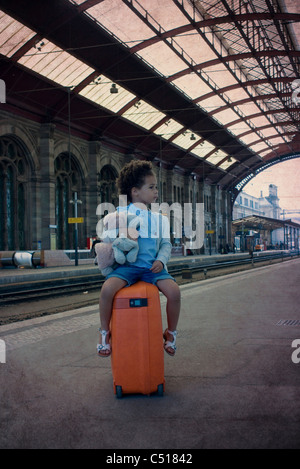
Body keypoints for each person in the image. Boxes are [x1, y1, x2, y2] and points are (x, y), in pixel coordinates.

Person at [97, 160, 181, 358]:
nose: (156, 192)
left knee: (175, 293)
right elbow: (110, 238)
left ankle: (171, 334)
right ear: (135, 192)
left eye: (156, 187)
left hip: (153, 268)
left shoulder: (161, 219)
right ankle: (104, 333)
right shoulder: (120, 214)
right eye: (151, 187)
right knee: (107, 290)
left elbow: (165, 245)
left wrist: (161, 260)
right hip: (128, 267)